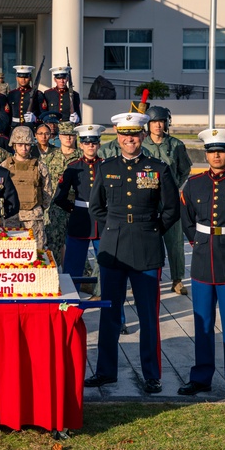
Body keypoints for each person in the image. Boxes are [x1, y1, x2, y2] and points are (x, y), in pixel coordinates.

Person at [86, 112, 180, 393]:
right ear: (118, 136)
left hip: (146, 248)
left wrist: (151, 230)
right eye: (125, 134)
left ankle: (151, 374)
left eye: (135, 134)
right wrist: (114, 228)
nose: (130, 139)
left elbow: (172, 209)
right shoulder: (106, 168)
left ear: (142, 135)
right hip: (113, 249)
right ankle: (105, 371)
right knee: (110, 313)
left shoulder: (158, 168)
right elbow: (96, 208)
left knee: (148, 315)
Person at [177, 128, 225, 401]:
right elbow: (185, 217)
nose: (216, 155)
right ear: (206, 154)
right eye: (211, 151)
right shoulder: (193, 184)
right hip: (202, 262)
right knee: (203, 324)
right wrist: (195, 242)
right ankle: (201, 378)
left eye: (221, 151)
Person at [142, 105, 192, 295]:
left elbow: (184, 169)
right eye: (154, 122)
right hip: (147, 198)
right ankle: (147, 277)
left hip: (169, 200)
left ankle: (177, 279)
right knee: (147, 240)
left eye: (161, 121)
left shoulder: (176, 145)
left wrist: (174, 186)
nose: (157, 125)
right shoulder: (142, 145)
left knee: (175, 241)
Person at [54, 124, 103, 282]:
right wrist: (73, 209)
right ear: (80, 145)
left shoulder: (107, 166)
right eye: (87, 143)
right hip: (80, 220)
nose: (90, 146)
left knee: (106, 265)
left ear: (99, 144)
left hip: (102, 220)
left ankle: (103, 296)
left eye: (94, 143)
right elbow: (59, 198)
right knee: (73, 266)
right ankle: (71, 301)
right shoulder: (73, 168)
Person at [0, 126, 52, 250]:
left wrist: (39, 209)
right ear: (14, 145)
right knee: (12, 252)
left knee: (36, 252)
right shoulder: (5, 166)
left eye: (27, 145)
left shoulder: (39, 166)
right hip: (12, 216)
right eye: (20, 144)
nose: (24, 148)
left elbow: (47, 192)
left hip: (33, 216)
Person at [42, 121, 82, 259]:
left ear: (76, 136)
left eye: (71, 135)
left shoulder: (82, 157)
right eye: (65, 135)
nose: (68, 138)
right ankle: (54, 276)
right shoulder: (50, 158)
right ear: (59, 136)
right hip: (55, 207)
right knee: (53, 245)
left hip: (76, 206)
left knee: (78, 245)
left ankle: (82, 279)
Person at [7, 64, 47, 129]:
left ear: (30, 78)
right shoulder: (11, 94)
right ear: (17, 78)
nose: (23, 79)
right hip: (14, 128)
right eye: (20, 77)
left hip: (31, 128)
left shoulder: (38, 94)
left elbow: (44, 115)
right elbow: (7, 115)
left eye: (26, 77)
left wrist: (35, 119)